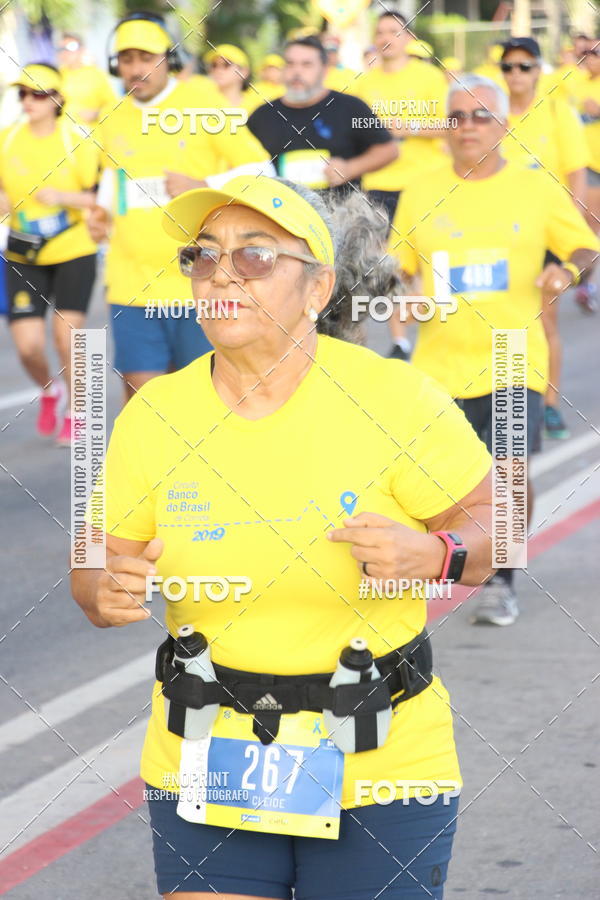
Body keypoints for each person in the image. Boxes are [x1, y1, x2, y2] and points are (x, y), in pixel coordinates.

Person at [72, 172, 494, 900]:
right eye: (202, 256)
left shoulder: (393, 395)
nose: (220, 274)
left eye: (255, 255)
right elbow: (95, 557)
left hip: (380, 759)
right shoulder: (155, 411)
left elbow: (502, 526)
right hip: (206, 751)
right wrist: (100, 587)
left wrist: (436, 552)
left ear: (318, 289)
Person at [388, 75, 599, 627]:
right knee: (438, 482)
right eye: (456, 117)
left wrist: (566, 268)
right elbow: (398, 266)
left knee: (507, 474)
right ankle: (449, 560)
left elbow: (584, 243)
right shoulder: (420, 190)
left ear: (503, 125)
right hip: (437, 365)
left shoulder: (535, 188)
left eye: (481, 115)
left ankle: (501, 579)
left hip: (511, 354)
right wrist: (398, 296)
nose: (468, 127)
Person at [88, 13, 274, 402]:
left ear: (168, 60)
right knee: (143, 402)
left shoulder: (203, 102)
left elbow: (262, 168)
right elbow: (112, 178)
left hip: (200, 281)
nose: (136, 68)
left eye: (146, 58)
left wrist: (204, 185)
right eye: (126, 59)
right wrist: (99, 214)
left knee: (205, 398)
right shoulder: (111, 115)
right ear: (114, 65)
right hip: (131, 283)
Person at [0, 63, 98, 445]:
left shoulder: (76, 140)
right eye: (22, 94)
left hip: (73, 248)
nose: (29, 101)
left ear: (57, 99)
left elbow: (99, 197)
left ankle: (77, 412)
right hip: (24, 252)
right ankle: (49, 389)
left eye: (38, 93)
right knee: (26, 345)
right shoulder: (7, 140)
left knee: (66, 338)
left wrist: (63, 197)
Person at [500, 36, 591, 437]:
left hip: (545, 236)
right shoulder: (492, 115)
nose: (516, 74)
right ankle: (507, 398)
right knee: (503, 322)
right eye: (508, 66)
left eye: (525, 66)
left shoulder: (556, 112)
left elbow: (577, 179)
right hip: (498, 236)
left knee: (544, 320)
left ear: (539, 70)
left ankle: (550, 403)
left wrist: (569, 233)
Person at [247, 35, 397, 195]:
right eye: (290, 64)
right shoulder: (262, 115)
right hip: (279, 212)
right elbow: (244, 164)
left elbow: (389, 149)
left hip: (340, 212)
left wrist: (349, 168)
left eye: (307, 65)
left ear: (324, 70)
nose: (297, 72)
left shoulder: (351, 107)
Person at [57, 33, 115, 130]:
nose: (65, 52)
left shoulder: (97, 74)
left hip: (90, 138)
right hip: (63, 137)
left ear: (81, 50)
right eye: (61, 49)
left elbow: (113, 107)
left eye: (70, 47)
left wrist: (97, 113)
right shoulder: (56, 76)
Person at [573, 39, 600, 247]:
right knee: (591, 220)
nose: (591, 60)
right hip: (590, 162)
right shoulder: (578, 84)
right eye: (588, 56)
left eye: (595, 56)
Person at [204, 43, 265, 114]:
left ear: (244, 71)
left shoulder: (257, 105)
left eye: (226, 65)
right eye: (214, 65)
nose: (218, 70)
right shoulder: (202, 100)